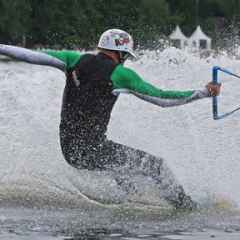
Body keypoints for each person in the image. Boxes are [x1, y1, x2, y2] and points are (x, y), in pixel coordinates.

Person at [0, 29, 221, 209]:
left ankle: (131, 199)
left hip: (70, 150)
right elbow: (161, 98)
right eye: (125, 56)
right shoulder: (120, 74)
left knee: (125, 174)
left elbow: (27, 55)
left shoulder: (73, 60)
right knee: (156, 166)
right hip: (93, 150)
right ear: (121, 53)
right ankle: (186, 208)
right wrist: (203, 92)